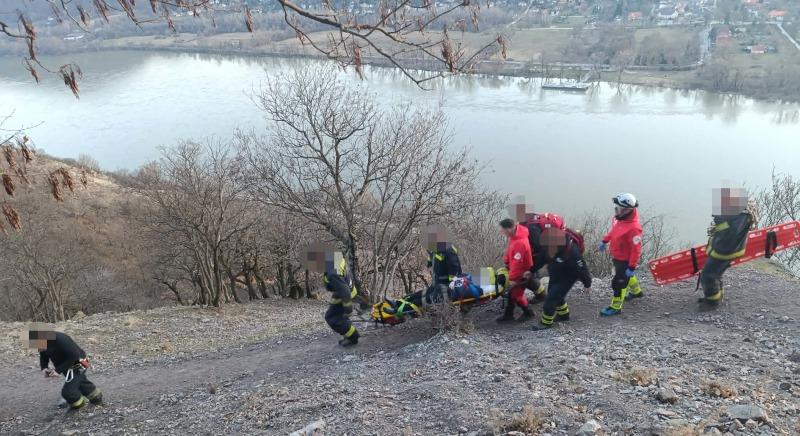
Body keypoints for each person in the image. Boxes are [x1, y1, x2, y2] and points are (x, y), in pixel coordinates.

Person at [699, 188, 757, 307]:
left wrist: (720, 222)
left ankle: (712, 302)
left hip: (725, 251)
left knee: (708, 276)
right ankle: (716, 297)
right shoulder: (740, 215)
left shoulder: (740, 218)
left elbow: (730, 234)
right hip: (724, 249)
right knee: (716, 274)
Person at [27, 326, 103, 410]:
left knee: (68, 392)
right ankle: (96, 397)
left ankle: (79, 407)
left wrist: (57, 371)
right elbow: (43, 355)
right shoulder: (42, 342)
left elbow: (74, 355)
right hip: (65, 367)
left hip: (78, 365)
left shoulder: (61, 339)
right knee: (80, 383)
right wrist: (44, 367)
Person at [531, 227, 592, 331]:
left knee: (551, 298)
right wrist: (531, 270)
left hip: (568, 276)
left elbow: (582, 269)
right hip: (555, 272)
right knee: (554, 293)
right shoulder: (549, 246)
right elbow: (541, 259)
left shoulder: (573, 252)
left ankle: (546, 322)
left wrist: (587, 284)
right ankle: (564, 315)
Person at [305, 244, 360, 347]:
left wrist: (348, 307)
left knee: (331, 317)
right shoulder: (335, 259)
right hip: (343, 292)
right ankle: (348, 331)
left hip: (344, 295)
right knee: (339, 316)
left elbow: (344, 289)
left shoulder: (332, 272)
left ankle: (353, 336)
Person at [599, 193, 644, 316]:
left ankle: (616, 307)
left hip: (625, 261)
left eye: (618, 208)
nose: (615, 210)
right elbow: (614, 231)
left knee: (618, 283)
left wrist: (632, 266)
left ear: (627, 210)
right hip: (617, 257)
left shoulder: (634, 228)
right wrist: (605, 240)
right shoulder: (620, 219)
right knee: (627, 277)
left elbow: (636, 250)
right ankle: (636, 292)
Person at [496, 218, 536, 323]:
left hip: (522, 273)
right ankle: (508, 315)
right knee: (512, 294)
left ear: (508, 229)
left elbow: (517, 264)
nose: (501, 232)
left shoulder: (519, 243)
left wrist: (512, 279)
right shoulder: (515, 236)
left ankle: (528, 313)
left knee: (516, 295)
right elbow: (511, 254)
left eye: (502, 230)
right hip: (519, 270)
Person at [524, 212, 566, 303]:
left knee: (553, 270)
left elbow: (541, 251)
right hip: (553, 242)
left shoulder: (531, 229)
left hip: (553, 247)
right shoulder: (531, 221)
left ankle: (553, 299)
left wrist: (531, 269)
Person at [424, 225, 463, 305]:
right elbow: (431, 258)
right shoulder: (434, 250)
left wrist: (452, 282)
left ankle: (400, 307)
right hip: (437, 285)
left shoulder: (448, 250)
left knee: (424, 299)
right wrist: (429, 264)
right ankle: (398, 303)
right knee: (417, 295)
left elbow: (454, 267)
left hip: (446, 287)